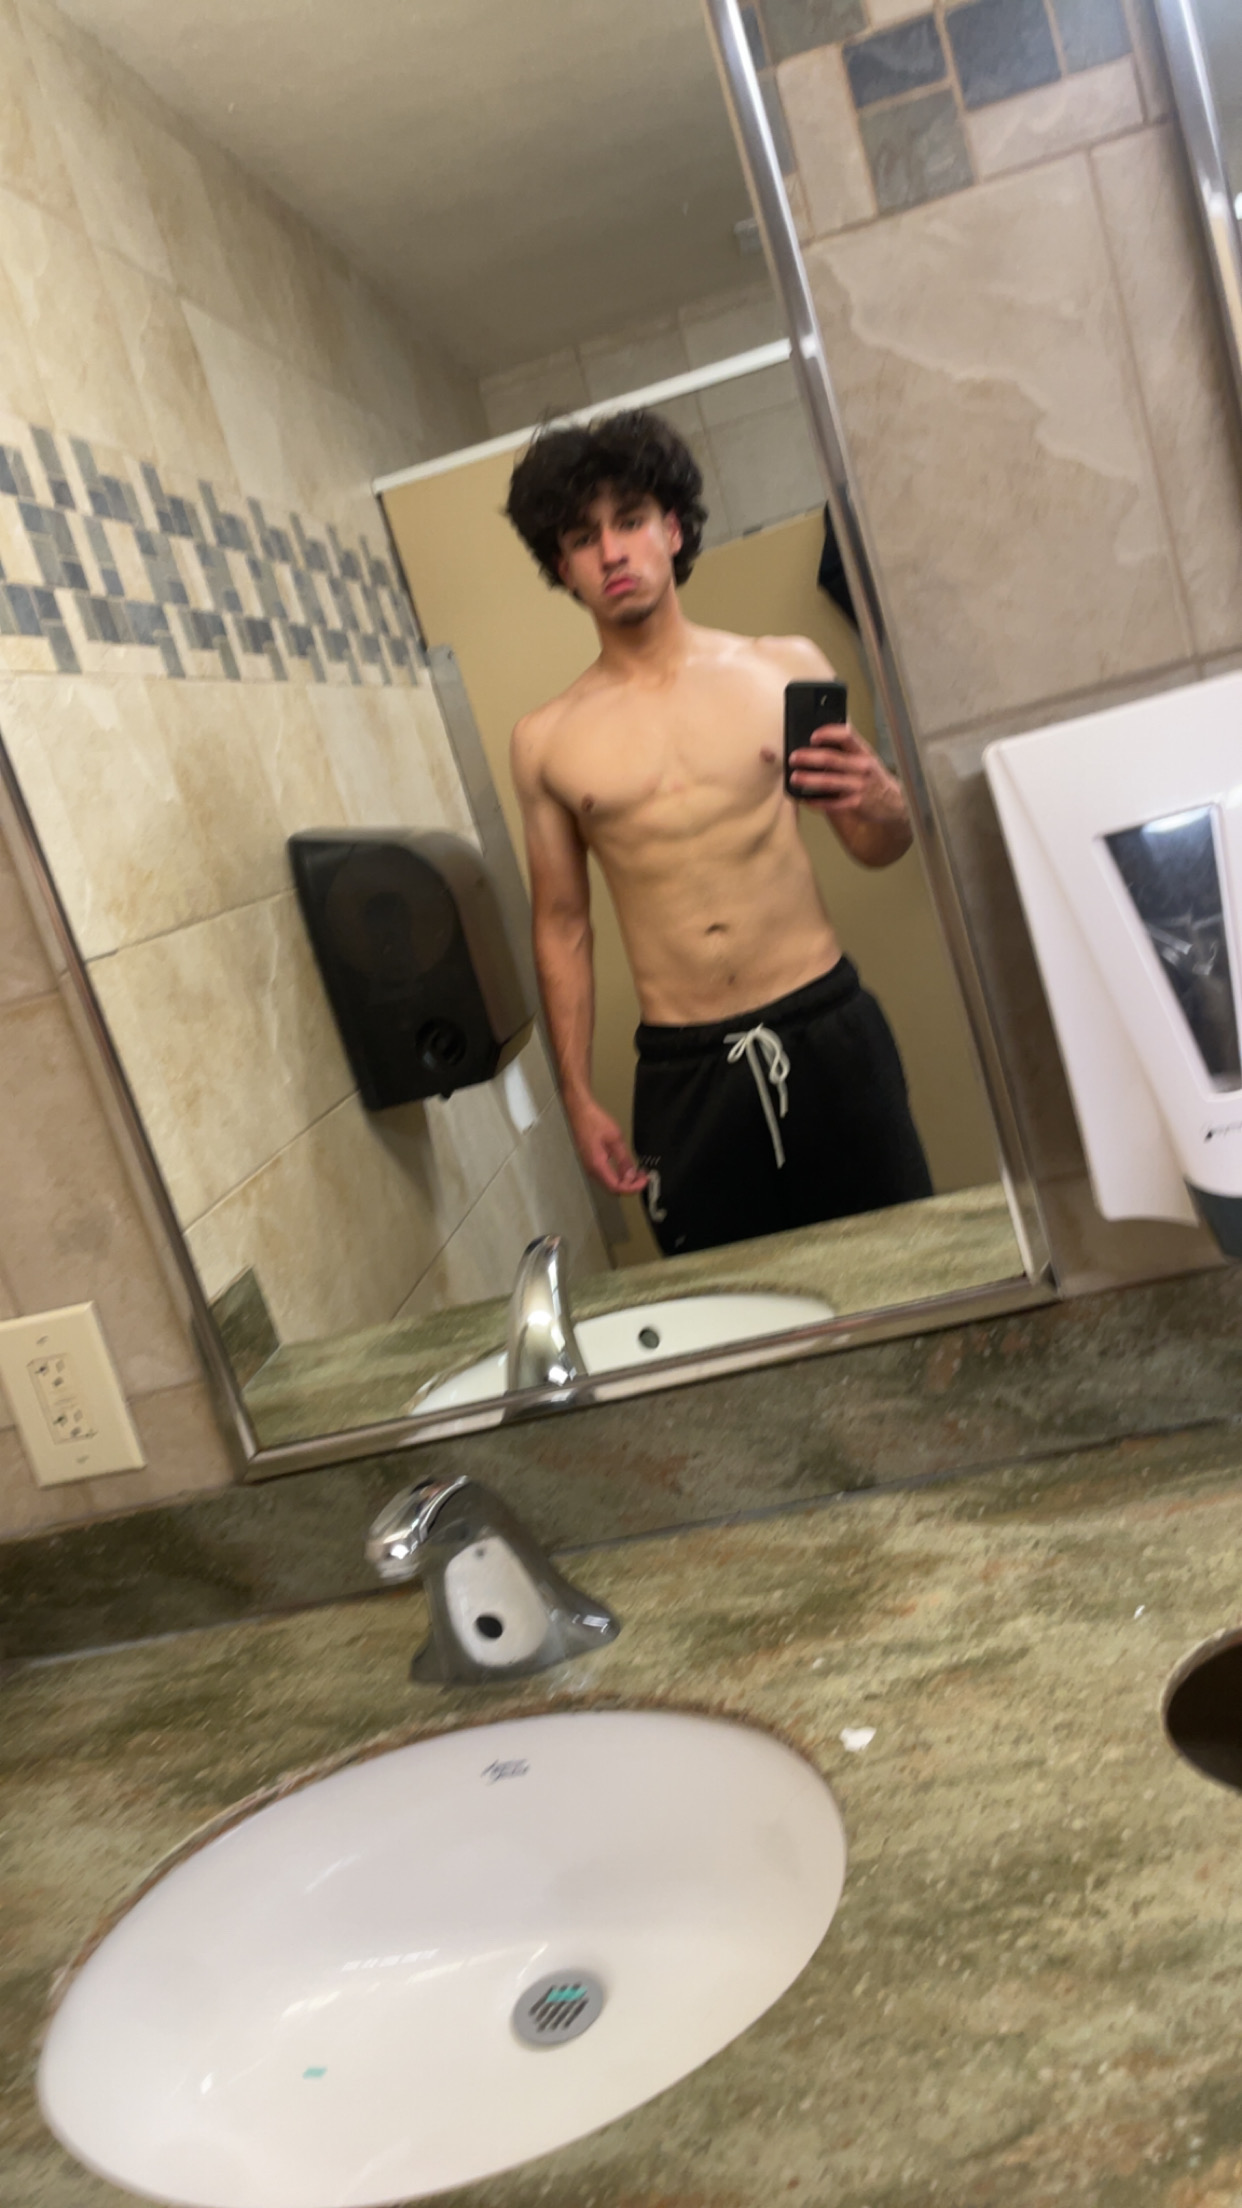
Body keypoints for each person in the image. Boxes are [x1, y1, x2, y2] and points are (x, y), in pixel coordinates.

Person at [505, 407, 931, 1257]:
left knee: (909, 1265)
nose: (612, 552)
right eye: (584, 538)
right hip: (684, 1069)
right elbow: (562, 924)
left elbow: (873, 846)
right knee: (728, 1303)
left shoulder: (785, 669)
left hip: (828, 1026)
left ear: (672, 530)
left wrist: (890, 803)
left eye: (630, 521)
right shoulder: (546, 740)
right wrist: (577, 1096)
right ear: (564, 568)